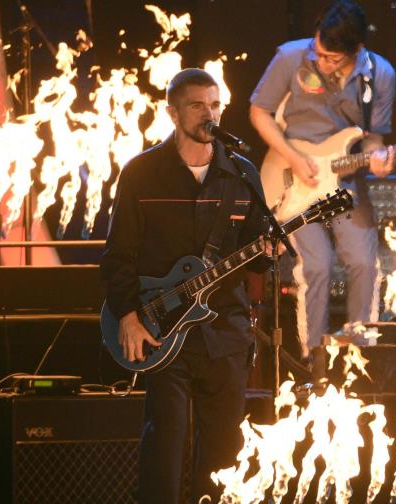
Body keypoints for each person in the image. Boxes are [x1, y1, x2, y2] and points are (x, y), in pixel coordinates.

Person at [100, 68, 272, 503]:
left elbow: (256, 245)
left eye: (215, 105)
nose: (209, 114)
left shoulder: (241, 173)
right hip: (162, 332)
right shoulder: (141, 173)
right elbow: (118, 253)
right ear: (173, 112)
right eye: (198, 105)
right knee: (165, 447)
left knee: (223, 456)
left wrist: (268, 254)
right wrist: (128, 315)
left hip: (225, 332)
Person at [249, 0, 396, 360]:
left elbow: (374, 136)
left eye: (332, 58)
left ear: (356, 50)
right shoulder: (290, 57)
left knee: (364, 260)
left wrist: (378, 158)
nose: (322, 62)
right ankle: (312, 354)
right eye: (318, 52)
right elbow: (258, 112)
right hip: (294, 176)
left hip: (345, 178)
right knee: (317, 264)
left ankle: (360, 351)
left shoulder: (380, 74)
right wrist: (294, 159)